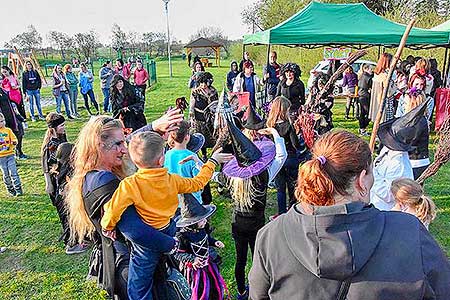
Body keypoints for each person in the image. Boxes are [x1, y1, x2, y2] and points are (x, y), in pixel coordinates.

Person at [249, 130, 450, 300]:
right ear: (362, 180)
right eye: (373, 173)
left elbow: (258, 295)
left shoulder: (270, 236)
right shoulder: (409, 232)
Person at [67, 110, 184, 299]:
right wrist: (172, 243)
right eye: (119, 144)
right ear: (99, 145)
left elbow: (132, 145)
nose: (125, 148)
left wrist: (153, 127)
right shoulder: (104, 181)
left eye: (125, 142)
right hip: (132, 264)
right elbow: (136, 230)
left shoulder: (94, 174)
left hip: (123, 258)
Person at [101, 131, 231, 300]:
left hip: (147, 243)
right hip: (169, 230)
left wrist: (108, 226)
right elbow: (198, 182)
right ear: (161, 160)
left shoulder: (130, 185)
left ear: (133, 159)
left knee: (137, 288)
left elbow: (112, 210)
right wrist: (212, 162)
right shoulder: (173, 180)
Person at [221, 119, 287, 300]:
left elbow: (210, 175)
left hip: (239, 226)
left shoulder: (231, 180)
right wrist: (275, 133)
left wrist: (197, 161)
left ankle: (241, 292)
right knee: (259, 261)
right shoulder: (264, 176)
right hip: (258, 226)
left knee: (240, 260)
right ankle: (260, 292)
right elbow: (281, 157)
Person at [371, 100, 429, 210]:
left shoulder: (398, 163)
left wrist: (372, 172)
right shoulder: (389, 151)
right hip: (377, 205)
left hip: (387, 210)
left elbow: (389, 194)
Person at [174, 194, 228, 300]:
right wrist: (193, 259)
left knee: (212, 285)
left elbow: (205, 238)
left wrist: (214, 242)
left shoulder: (201, 229)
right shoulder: (182, 236)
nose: (206, 221)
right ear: (192, 223)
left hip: (207, 265)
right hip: (194, 272)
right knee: (199, 291)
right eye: (202, 220)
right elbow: (178, 253)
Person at [51, 142, 88, 254]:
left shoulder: (57, 167)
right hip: (66, 201)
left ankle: (79, 240)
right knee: (70, 223)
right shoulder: (68, 169)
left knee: (70, 222)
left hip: (61, 199)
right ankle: (71, 245)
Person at [266, 96, 300, 217]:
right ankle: (292, 211)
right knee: (292, 188)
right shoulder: (288, 126)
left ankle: (281, 213)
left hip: (277, 160)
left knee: (280, 189)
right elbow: (295, 144)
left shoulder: (270, 126)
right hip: (290, 159)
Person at [164, 120, 205, 204]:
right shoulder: (192, 157)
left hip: (173, 200)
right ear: (187, 137)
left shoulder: (165, 155)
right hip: (192, 202)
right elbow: (201, 180)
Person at [189, 72, 218, 160]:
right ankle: (204, 154)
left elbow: (216, 104)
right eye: (201, 83)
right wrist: (191, 115)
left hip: (210, 117)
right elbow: (192, 104)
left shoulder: (213, 91)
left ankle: (215, 153)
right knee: (201, 135)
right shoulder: (195, 92)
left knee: (213, 135)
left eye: (205, 83)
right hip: (199, 117)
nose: (203, 85)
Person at [0, 112, 22, 196]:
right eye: (0, 121)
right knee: (6, 174)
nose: (1, 123)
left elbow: (14, 139)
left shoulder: (8, 130)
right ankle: (10, 189)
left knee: (13, 172)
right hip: (1, 158)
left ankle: (18, 189)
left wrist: (14, 142)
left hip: (10, 155)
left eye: (2, 121)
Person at [369, 53, 396, 122]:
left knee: (379, 124)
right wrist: (395, 86)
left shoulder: (377, 74)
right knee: (385, 124)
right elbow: (389, 93)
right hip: (385, 104)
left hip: (377, 103)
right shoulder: (385, 76)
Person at [357, 63, 373, 136]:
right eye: (370, 69)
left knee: (363, 113)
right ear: (366, 69)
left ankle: (362, 128)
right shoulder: (367, 77)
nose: (372, 70)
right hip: (365, 96)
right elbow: (371, 86)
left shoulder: (361, 75)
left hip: (361, 95)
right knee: (369, 113)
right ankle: (362, 128)